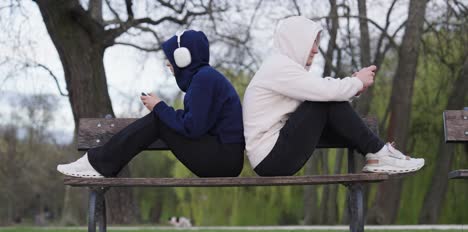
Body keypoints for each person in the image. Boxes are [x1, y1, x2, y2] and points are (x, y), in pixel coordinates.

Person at [242, 16, 424, 176]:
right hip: (272, 157)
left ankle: (379, 153)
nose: (315, 50)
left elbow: (321, 93)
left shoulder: (281, 68)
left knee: (327, 99)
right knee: (325, 100)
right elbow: (324, 92)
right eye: (311, 43)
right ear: (296, 42)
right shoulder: (279, 67)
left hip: (274, 155)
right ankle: (379, 153)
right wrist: (357, 83)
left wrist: (352, 88)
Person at [57, 30, 245, 178]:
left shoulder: (204, 80)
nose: (167, 64)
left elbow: (192, 127)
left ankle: (97, 163)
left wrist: (160, 107)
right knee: (160, 117)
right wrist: (161, 109)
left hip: (223, 160)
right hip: (224, 157)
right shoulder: (206, 78)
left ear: (183, 57)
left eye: (170, 58)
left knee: (159, 119)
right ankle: (98, 162)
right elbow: (198, 125)